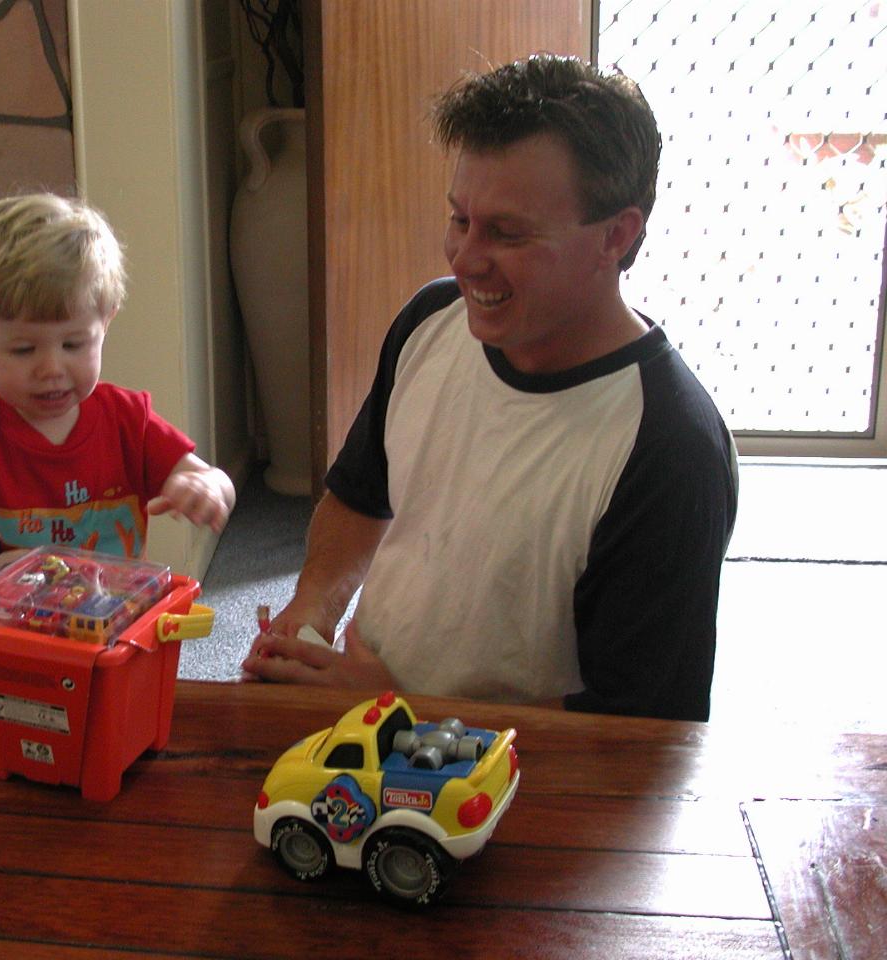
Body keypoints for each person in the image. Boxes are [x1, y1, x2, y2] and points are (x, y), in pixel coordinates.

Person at [242, 55, 738, 722]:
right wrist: (308, 619)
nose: (465, 258)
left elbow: (642, 735)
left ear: (616, 237)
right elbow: (358, 504)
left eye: (507, 233)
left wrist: (399, 711)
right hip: (362, 714)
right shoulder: (429, 322)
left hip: (511, 791)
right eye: (459, 219)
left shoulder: (670, 449)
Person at [0, 193, 235, 664]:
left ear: (106, 323)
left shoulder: (127, 420)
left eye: (74, 343)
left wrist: (205, 485)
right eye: (23, 350)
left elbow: (212, 477)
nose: (51, 368)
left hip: (107, 653)